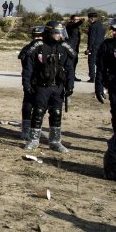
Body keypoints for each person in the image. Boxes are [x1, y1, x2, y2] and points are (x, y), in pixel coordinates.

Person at [22, 20, 76, 152]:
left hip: (58, 87)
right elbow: (28, 68)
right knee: (38, 112)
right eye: (57, 33)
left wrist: (70, 87)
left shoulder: (64, 47)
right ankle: (33, 140)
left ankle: (55, 141)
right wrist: (27, 84)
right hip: (41, 86)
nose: (59, 35)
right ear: (50, 32)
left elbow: (70, 69)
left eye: (61, 33)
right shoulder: (38, 46)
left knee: (56, 113)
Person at [95, 17, 116, 136]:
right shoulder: (107, 45)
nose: (113, 32)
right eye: (113, 30)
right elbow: (101, 67)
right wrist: (98, 86)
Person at [17, 26, 45, 141]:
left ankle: (33, 131)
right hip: (33, 81)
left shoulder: (44, 47)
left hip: (41, 82)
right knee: (30, 106)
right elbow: (25, 65)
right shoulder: (30, 48)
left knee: (38, 107)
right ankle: (27, 130)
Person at [87, 12, 105, 83]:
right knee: (99, 62)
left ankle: (92, 78)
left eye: (88, 19)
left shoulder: (92, 26)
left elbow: (92, 38)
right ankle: (100, 76)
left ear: (91, 18)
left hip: (94, 47)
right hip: (101, 45)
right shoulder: (101, 25)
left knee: (91, 62)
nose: (88, 20)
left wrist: (89, 48)